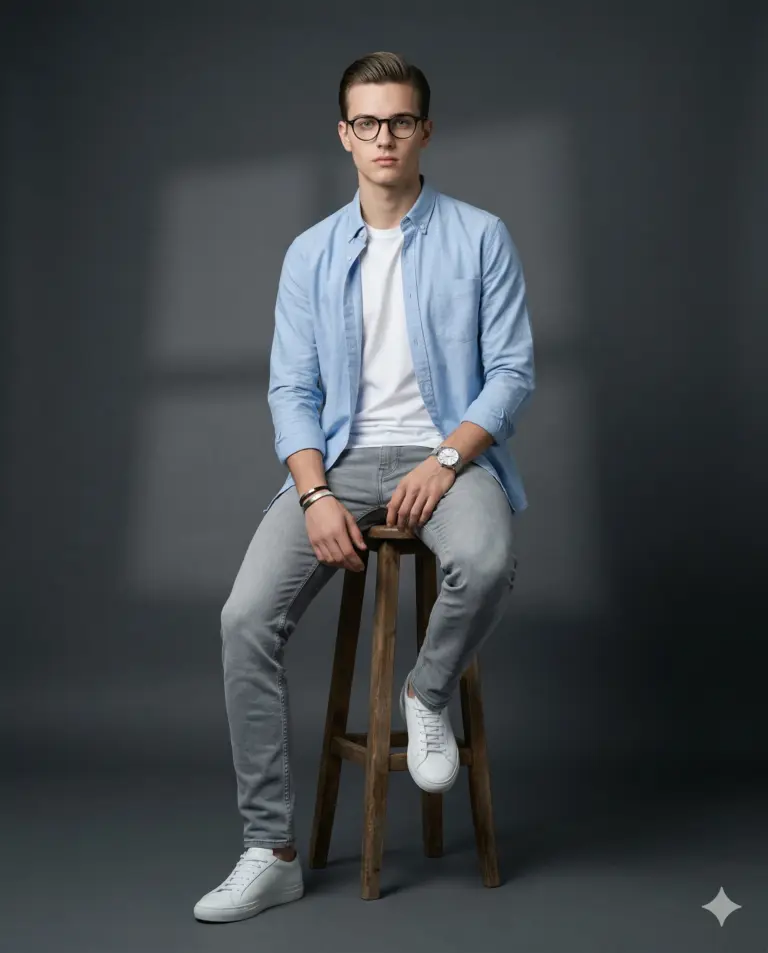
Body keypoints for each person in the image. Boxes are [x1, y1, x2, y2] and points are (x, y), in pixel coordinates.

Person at [194, 50, 535, 923]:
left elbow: (511, 372)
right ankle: (269, 851)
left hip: (445, 459)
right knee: (243, 621)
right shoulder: (310, 253)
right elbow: (291, 391)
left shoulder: (480, 235)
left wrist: (447, 459)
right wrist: (313, 495)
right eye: (367, 123)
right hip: (339, 464)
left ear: (425, 130)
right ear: (345, 135)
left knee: (489, 560)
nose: (385, 137)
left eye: (401, 121)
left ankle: (425, 693)